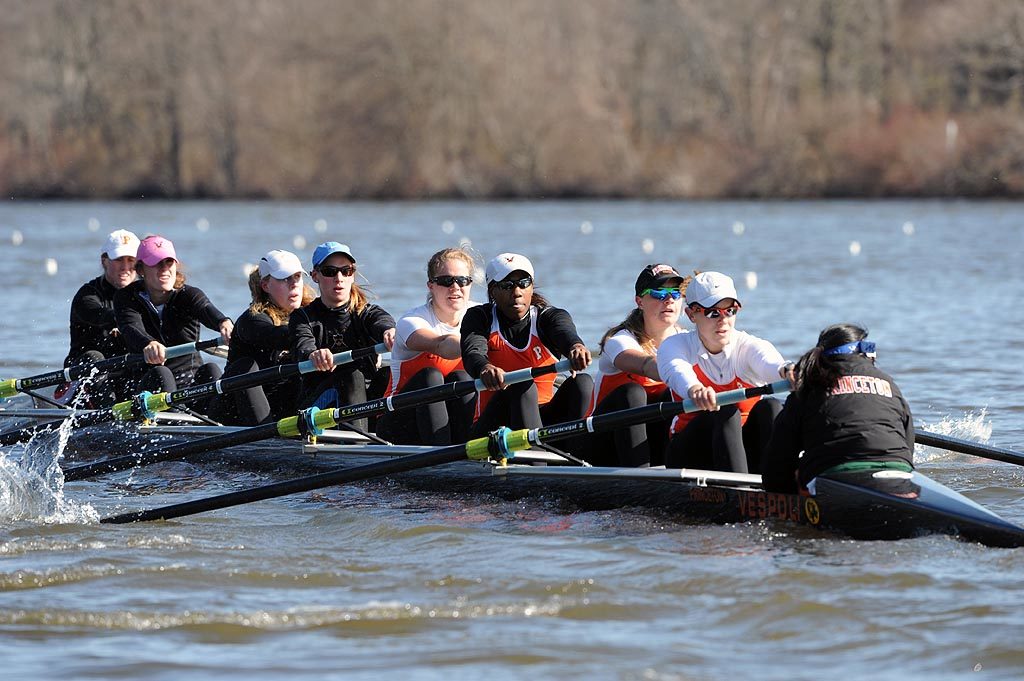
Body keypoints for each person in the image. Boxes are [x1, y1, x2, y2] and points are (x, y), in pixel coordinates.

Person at [658, 271, 793, 473]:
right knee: (727, 411)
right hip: (691, 452)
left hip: (743, 447)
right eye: (713, 312)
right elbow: (677, 371)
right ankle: (741, 494)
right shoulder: (675, 346)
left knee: (772, 407)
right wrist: (695, 390)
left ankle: (781, 484)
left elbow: (771, 364)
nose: (723, 320)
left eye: (730, 311)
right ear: (691, 314)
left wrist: (789, 370)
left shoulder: (748, 346)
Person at [762, 324, 914, 494]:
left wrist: (782, 498)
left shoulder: (810, 385)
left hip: (836, 474)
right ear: (866, 353)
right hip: (900, 470)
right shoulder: (889, 383)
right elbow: (908, 442)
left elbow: (778, 459)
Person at [460, 252, 593, 437]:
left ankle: (577, 453)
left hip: (544, 421)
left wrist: (576, 347)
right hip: (495, 426)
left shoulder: (549, 317)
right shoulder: (480, 317)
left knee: (583, 382)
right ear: (492, 291)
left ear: (531, 287)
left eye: (523, 283)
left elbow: (565, 334)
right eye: (506, 285)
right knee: (521, 384)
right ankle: (538, 461)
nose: (516, 292)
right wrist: (484, 367)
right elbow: (472, 352)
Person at [583, 264, 688, 467]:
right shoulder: (619, 340)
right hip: (600, 443)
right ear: (639, 301)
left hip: (651, 440)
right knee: (633, 393)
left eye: (675, 293)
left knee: (673, 396)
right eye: (658, 293)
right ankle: (640, 475)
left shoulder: (686, 341)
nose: (668, 300)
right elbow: (647, 365)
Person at [375, 248, 480, 445]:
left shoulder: (481, 314)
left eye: (462, 280)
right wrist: (480, 343)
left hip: (450, 419)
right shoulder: (412, 321)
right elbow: (441, 345)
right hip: (398, 422)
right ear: (431, 285)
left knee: (462, 378)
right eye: (446, 281)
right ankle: (441, 457)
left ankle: (469, 451)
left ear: (470, 284)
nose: (455, 287)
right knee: (430, 376)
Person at [289, 241, 396, 431]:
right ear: (315, 276)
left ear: (352, 275)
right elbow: (303, 346)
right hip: (318, 403)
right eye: (330, 271)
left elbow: (383, 321)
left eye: (345, 271)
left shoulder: (366, 312)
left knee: (390, 373)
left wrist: (390, 332)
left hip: (364, 400)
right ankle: (356, 448)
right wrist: (313, 355)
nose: (339, 278)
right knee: (352, 376)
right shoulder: (303, 317)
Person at [114, 235, 233, 402]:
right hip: (149, 386)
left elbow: (207, 309)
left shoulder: (189, 295)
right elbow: (131, 327)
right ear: (140, 270)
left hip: (189, 385)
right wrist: (148, 343)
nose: (164, 269)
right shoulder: (126, 298)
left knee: (211, 370)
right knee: (162, 374)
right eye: (156, 263)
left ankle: (217, 421)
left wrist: (224, 323)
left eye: (168, 262)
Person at [220, 249, 316, 425]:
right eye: (284, 279)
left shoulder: (311, 314)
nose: (294, 284)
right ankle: (266, 440)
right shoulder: (252, 320)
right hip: (235, 415)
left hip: (282, 409)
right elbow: (283, 337)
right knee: (245, 367)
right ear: (265, 285)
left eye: (297, 277)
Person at [58, 229, 140, 405]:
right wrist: (130, 320)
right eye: (119, 259)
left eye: (131, 260)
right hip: (82, 375)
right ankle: (107, 414)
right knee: (95, 357)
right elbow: (100, 316)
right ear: (104, 261)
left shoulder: (143, 295)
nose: (125, 266)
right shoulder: (87, 295)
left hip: (122, 375)